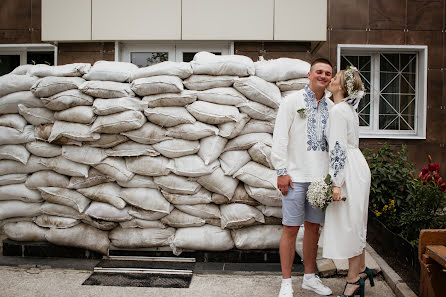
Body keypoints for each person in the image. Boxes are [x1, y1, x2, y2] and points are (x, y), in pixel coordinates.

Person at [272, 58, 334, 297]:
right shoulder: (292, 101)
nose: (323, 76)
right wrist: (281, 171)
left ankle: (309, 277)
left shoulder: (332, 106)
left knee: (313, 229)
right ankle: (286, 282)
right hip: (295, 176)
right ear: (309, 74)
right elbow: (279, 138)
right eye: (319, 71)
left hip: (320, 180)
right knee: (290, 228)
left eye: (328, 73)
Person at [322, 67, 373, 297]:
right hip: (358, 165)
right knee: (357, 219)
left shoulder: (338, 111)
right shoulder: (349, 110)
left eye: (335, 78)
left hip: (348, 169)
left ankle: (353, 280)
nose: (330, 80)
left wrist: (336, 182)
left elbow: (338, 149)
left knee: (350, 222)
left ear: (342, 87)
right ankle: (361, 270)